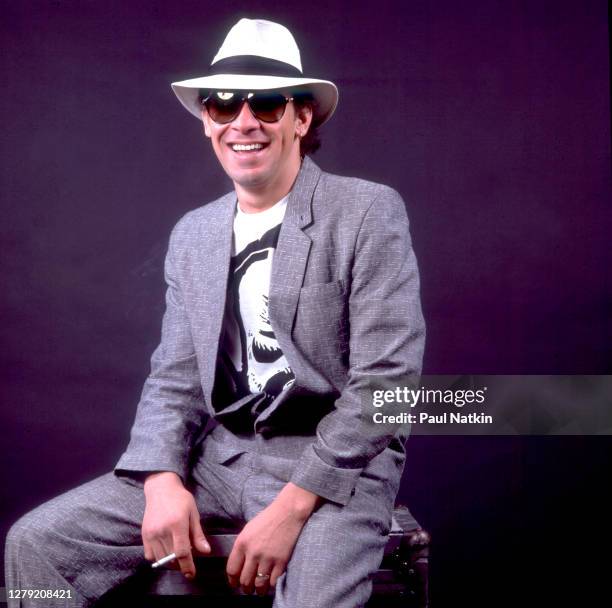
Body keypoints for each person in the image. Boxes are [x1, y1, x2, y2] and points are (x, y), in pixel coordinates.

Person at [4, 18, 425, 608]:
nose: (243, 122)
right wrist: (160, 479)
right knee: (36, 546)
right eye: (224, 104)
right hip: (221, 461)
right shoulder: (194, 234)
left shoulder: (365, 212)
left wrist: (294, 503)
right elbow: (174, 378)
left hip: (337, 472)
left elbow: (389, 386)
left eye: (268, 104)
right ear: (207, 121)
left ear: (302, 118)